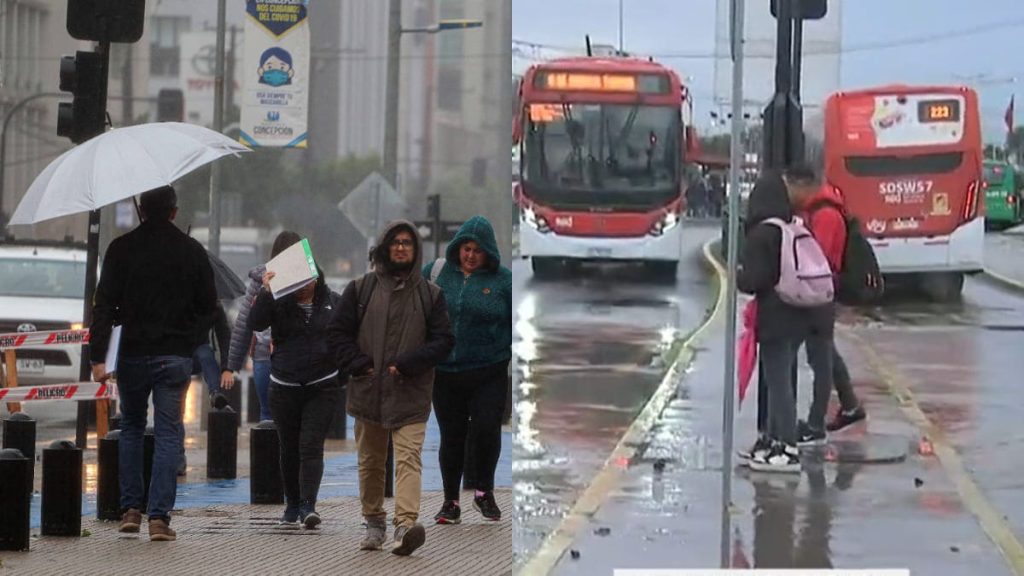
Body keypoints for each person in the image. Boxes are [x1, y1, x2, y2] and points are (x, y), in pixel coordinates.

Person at [90, 186, 217, 541]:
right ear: (174, 212)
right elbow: (209, 306)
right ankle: (159, 518)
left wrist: (98, 356)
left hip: (130, 354)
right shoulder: (191, 251)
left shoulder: (120, 250)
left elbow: (103, 306)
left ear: (141, 211)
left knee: (130, 426)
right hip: (174, 355)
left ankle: (130, 509)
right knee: (168, 432)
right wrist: (190, 336)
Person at [328, 220, 454, 556]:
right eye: (395, 242)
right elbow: (337, 335)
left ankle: (405, 524)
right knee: (370, 462)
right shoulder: (361, 289)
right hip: (368, 390)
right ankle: (373, 521)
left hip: (410, 394)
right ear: (385, 248)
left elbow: (444, 341)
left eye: (407, 243)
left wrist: (412, 362)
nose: (401, 248)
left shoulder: (431, 295)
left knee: (409, 458)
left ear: (415, 250)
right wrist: (358, 363)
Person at [736, 172, 833, 472]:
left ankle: (787, 447)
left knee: (778, 384)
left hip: (775, 318)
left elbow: (754, 280)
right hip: (799, 313)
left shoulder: (761, 234)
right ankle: (775, 442)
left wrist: (738, 274)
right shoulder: (790, 227)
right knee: (781, 381)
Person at [249, 234, 342, 529]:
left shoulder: (331, 300)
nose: (304, 284)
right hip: (285, 384)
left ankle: (308, 506)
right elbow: (255, 323)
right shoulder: (276, 301)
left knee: (311, 444)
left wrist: (343, 373)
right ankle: (291, 503)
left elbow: (346, 339)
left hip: (322, 385)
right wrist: (266, 291)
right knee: (289, 446)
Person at [424, 216, 512, 525]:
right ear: (457, 248)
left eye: (477, 250)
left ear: (488, 252)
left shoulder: (503, 281)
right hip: (446, 372)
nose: (471, 256)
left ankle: (484, 493)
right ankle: (450, 502)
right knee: (452, 436)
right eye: (466, 248)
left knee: (488, 428)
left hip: (489, 370)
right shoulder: (436, 274)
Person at [783, 165, 867, 439]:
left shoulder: (825, 215)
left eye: (789, 187)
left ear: (802, 184)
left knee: (819, 357)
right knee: (826, 352)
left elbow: (816, 258)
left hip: (819, 293)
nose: (787, 194)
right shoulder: (820, 210)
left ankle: (816, 424)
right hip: (820, 292)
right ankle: (850, 405)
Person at [222, 231, 303, 422]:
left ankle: (276, 451)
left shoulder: (302, 282)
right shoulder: (264, 281)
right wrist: (230, 365)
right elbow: (244, 324)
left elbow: (244, 324)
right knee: (281, 417)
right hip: (278, 357)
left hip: (277, 357)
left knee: (275, 416)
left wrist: (230, 366)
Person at [178, 300, 230, 476]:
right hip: (176, 353)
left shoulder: (213, 304)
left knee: (206, 354)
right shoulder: (175, 294)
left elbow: (224, 336)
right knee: (177, 409)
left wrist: (226, 368)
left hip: (199, 351)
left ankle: (215, 393)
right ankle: (178, 459)